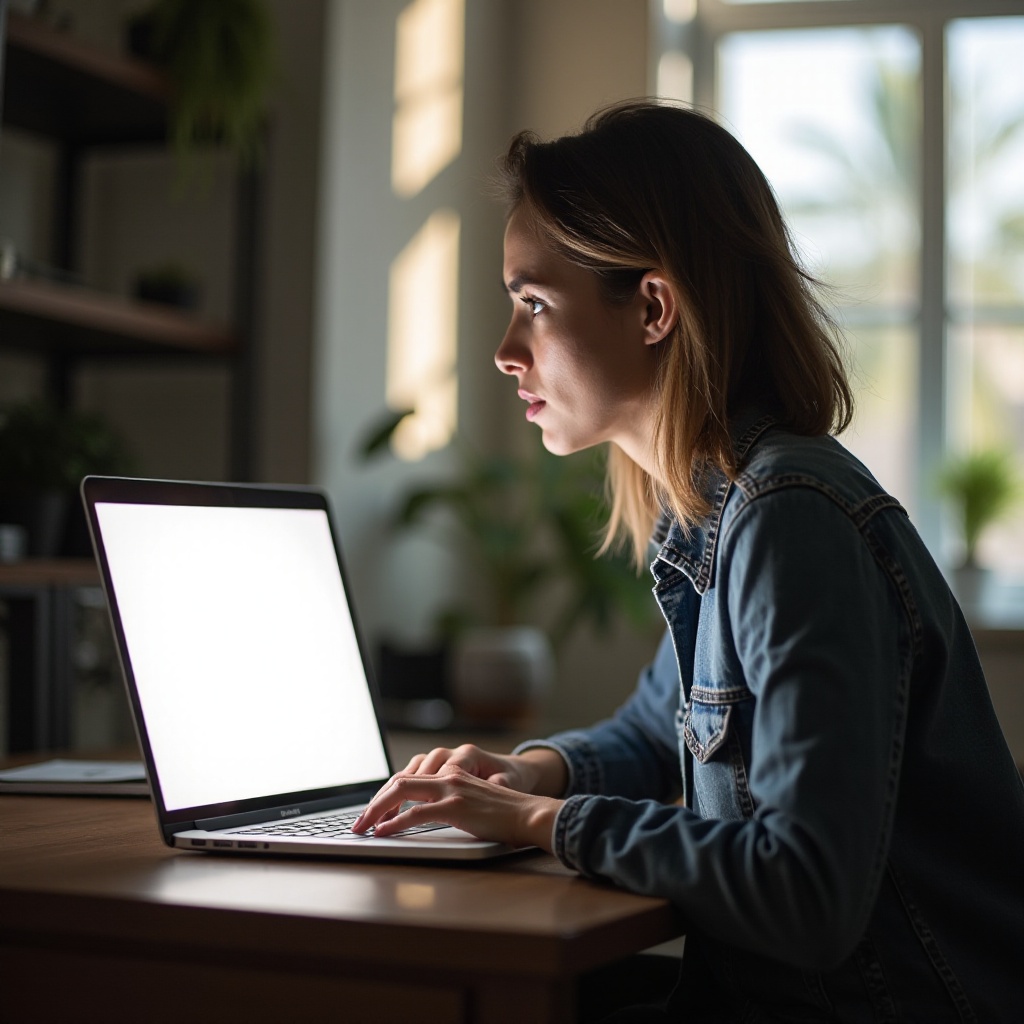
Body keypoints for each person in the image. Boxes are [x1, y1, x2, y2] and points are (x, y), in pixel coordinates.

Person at [352, 100, 1024, 1021]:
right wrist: (528, 772)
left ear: (655, 308)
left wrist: (545, 825)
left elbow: (807, 891)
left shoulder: (791, 519)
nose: (507, 354)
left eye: (534, 305)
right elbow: (651, 728)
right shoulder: (721, 507)